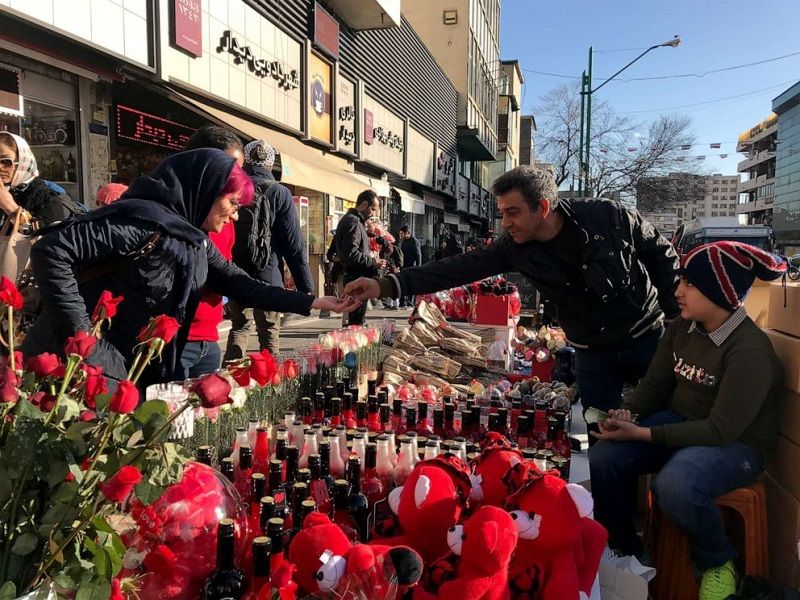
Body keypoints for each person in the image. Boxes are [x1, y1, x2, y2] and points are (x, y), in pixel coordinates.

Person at [344, 166, 680, 424]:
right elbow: (455, 268)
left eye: (513, 212)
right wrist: (385, 285)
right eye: (502, 212)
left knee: (661, 419)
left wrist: (673, 317)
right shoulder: (513, 247)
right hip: (591, 352)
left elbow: (662, 256)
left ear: (544, 207)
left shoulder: (611, 217)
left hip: (645, 336)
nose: (505, 222)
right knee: (600, 431)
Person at [22, 149, 357, 385]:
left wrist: (312, 301)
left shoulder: (193, 239)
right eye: (232, 203)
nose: (235, 215)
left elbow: (239, 283)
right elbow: (52, 251)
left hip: (129, 367)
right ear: (205, 191)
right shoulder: (143, 223)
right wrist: (82, 335)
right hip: (73, 367)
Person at [589, 241, 786, 600]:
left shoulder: (749, 352)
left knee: (676, 484)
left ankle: (718, 561)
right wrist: (627, 413)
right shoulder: (684, 328)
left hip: (736, 445)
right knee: (605, 456)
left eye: (689, 284)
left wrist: (645, 433)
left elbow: (720, 429)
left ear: (720, 291)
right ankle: (623, 549)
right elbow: (655, 384)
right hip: (682, 421)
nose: (678, 291)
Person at [224, 139, 314, 359]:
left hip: (235, 271)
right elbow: (294, 244)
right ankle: (268, 382)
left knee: (239, 327)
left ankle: (230, 384)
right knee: (269, 332)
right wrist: (305, 287)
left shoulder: (234, 185)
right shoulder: (279, 193)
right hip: (268, 272)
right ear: (271, 163)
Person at [177, 125, 245, 378]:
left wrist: (308, 300)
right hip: (175, 339)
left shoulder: (223, 217)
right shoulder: (170, 218)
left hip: (208, 335)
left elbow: (226, 272)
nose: (236, 178)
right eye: (230, 170)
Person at [0, 132, 83, 229]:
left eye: (5, 161)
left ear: (23, 162)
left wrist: (11, 207)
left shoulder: (46, 198)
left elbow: (48, 237)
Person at [335, 189, 386, 325]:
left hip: (354, 276)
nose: (373, 213)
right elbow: (351, 253)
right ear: (364, 204)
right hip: (356, 277)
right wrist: (373, 262)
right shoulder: (353, 222)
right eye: (373, 209)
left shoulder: (352, 221)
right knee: (356, 322)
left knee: (356, 320)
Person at [398, 225, 421, 307]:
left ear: (407, 233)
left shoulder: (414, 241)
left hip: (411, 267)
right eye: (400, 234)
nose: (400, 236)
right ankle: (402, 303)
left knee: (410, 285)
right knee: (403, 284)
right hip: (403, 266)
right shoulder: (402, 241)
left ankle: (410, 303)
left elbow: (418, 255)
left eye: (402, 234)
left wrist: (418, 268)